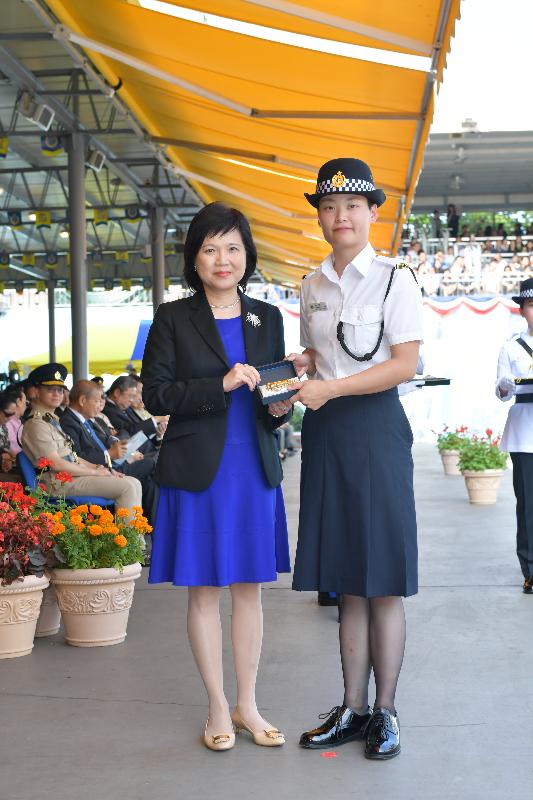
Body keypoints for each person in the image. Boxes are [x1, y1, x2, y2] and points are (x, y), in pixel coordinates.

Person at [141, 202, 291, 751]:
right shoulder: (172, 318)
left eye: (232, 247)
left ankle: (248, 704)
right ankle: (216, 708)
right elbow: (155, 393)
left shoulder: (267, 317)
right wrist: (219, 386)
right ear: (194, 259)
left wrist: (282, 403)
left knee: (250, 589)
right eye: (210, 249)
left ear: (247, 254)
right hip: (197, 468)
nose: (222, 259)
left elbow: (274, 397)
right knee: (204, 591)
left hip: (252, 466)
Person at [288, 158, 423, 760]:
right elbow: (324, 356)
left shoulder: (397, 280)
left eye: (351, 206)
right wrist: (303, 369)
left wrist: (331, 387)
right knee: (347, 580)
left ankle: (387, 711)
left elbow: (403, 364)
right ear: (319, 217)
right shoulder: (310, 285)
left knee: (383, 581)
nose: (339, 216)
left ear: (373, 212)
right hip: (327, 433)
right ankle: (352, 707)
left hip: (374, 430)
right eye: (328, 207)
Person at [21, 363, 142, 513]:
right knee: (127, 487)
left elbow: (72, 456)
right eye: (50, 390)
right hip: (59, 483)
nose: (57, 394)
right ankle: (129, 536)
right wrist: (94, 472)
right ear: (35, 391)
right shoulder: (35, 425)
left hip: (72, 477)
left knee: (133, 482)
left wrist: (101, 468)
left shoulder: (52, 421)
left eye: (60, 390)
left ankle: (134, 534)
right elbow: (56, 463)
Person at [59, 380, 158, 524]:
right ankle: (133, 535)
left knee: (152, 482)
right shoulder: (68, 421)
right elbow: (76, 456)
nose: (100, 405)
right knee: (153, 464)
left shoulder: (88, 420)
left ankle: (153, 526)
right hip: (102, 468)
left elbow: (106, 440)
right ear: (82, 400)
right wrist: (109, 455)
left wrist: (120, 447)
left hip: (112, 464)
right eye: (97, 400)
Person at [495, 278, 533, 593]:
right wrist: (507, 384)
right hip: (525, 433)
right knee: (528, 505)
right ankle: (531, 570)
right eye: (531, 306)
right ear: (522, 311)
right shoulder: (510, 346)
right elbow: (501, 391)